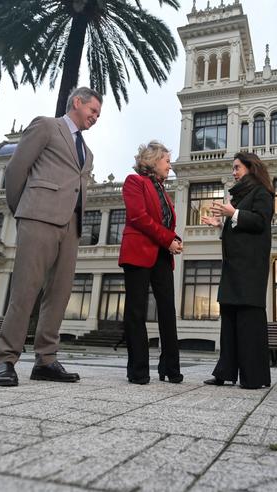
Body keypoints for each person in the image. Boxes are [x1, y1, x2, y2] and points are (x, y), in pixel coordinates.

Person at [0, 87, 102, 387]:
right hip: (38, 217)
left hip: (71, 226)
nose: (95, 118)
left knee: (59, 294)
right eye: (93, 111)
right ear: (77, 102)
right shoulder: (46, 126)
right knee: (25, 290)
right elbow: (17, 169)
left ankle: (46, 360)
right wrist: (23, 208)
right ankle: (5, 360)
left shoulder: (87, 152)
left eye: (98, 115)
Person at [202, 152, 274, 390]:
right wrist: (221, 224)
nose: (233, 172)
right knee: (230, 319)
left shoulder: (262, 192)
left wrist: (232, 214)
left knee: (248, 322)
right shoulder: (242, 196)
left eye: (237, 168)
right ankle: (225, 372)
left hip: (250, 268)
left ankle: (254, 377)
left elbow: (260, 222)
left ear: (250, 168)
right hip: (234, 266)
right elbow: (241, 226)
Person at [119, 141, 183, 385]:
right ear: (154, 161)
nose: (170, 166)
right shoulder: (134, 182)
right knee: (136, 310)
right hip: (139, 252)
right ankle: (138, 370)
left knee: (167, 310)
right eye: (167, 161)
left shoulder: (163, 191)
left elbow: (164, 223)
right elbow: (138, 217)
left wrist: (173, 239)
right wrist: (169, 239)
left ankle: (171, 367)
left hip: (162, 255)